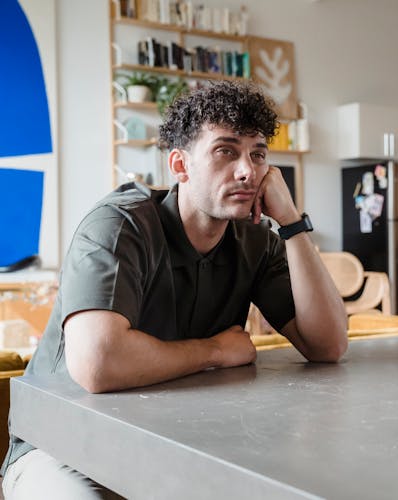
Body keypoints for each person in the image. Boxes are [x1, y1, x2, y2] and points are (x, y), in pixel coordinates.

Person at [1, 80, 348, 499]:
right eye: (226, 151)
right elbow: (99, 363)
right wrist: (216, 351)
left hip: (180, 445)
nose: (248, 171)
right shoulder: (118, 225)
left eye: (258, 154)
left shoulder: (256, 241)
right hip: (61, 446)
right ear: (180, 166)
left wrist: (291, 221)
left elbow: (327, 345)